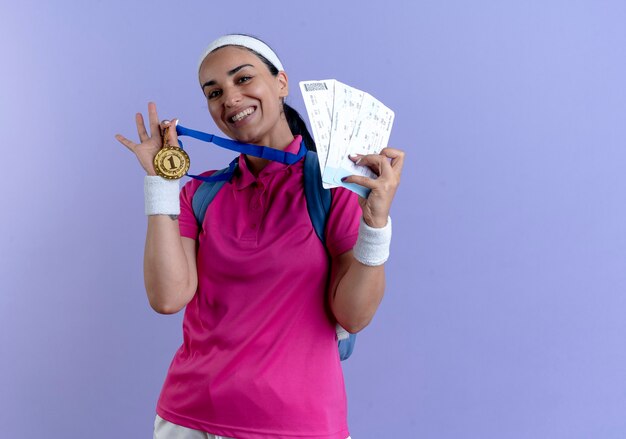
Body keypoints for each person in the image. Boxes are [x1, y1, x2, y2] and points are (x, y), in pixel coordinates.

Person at [115, 34, 405, 439]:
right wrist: (161, 183)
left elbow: (353, 316)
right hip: (188, 418)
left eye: (243, 79)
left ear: (281, 83)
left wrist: (375, 226)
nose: (229, 98)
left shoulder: (333, 187)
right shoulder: (200, 193)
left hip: (295, 425)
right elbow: (167, 298)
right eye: (214, 92)